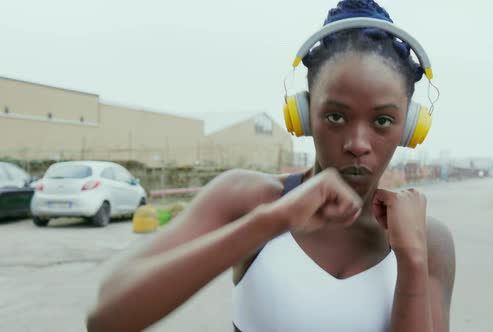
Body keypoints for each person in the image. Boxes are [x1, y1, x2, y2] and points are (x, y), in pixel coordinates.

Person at [86, 1, 456, 331]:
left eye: (382, 122)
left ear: (410, 127)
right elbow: (107, 317)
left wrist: (411, 260)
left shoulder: (428, 240)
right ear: (304, 116)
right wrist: (271, 220)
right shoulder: (248, 199)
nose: (357, 144)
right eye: (336, 116)